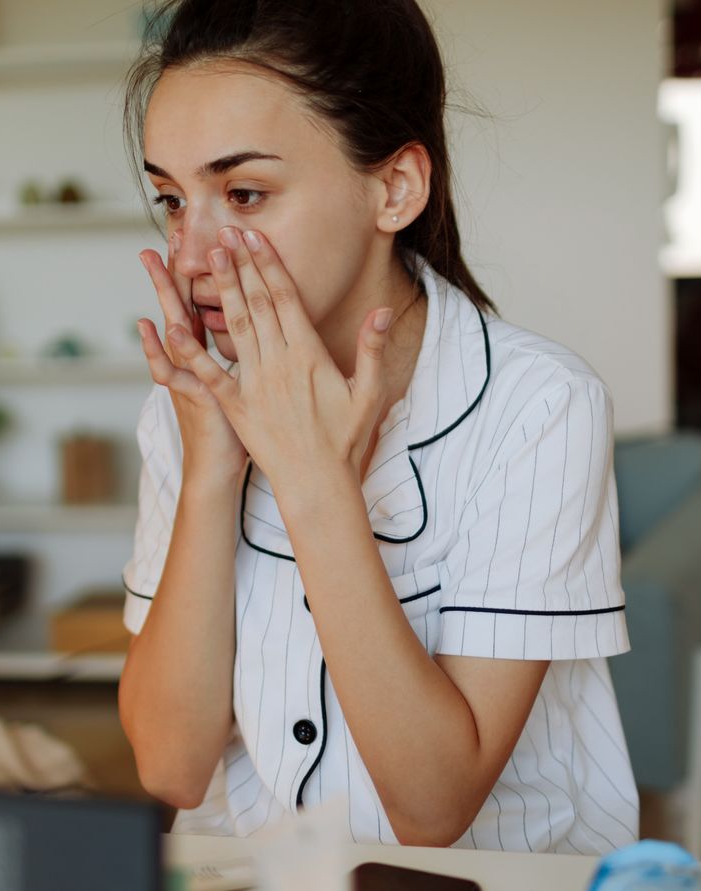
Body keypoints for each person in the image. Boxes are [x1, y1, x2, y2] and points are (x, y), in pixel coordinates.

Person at [117, 0, 639, 853]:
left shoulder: (538, 408)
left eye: (243, 193)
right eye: (173, 199)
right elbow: (171, 769)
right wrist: (212, 466)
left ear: (393, 188)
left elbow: (433, 807)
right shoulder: (185, 409)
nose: (189, 256)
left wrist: (314, 482)